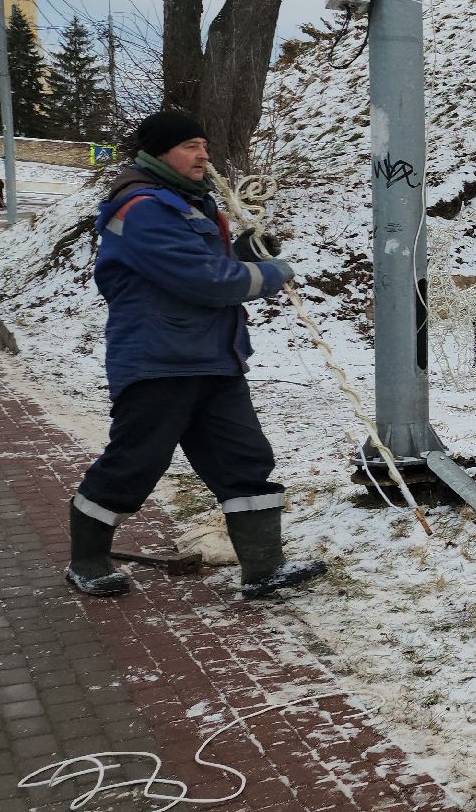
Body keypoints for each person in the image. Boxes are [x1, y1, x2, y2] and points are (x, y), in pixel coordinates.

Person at [68, 109, 326, 599]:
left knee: (245, 459)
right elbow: (203, 280)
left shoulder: (192, 204)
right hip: (158, 362)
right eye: (190, 146)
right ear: (159, 152)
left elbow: (213, 264)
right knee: (135, 464)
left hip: (214, 360)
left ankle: (264, 568)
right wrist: (274, 274)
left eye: (204, 145)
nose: (204, 155)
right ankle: (87, 559)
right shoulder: (141, 209)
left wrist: (248, 251)